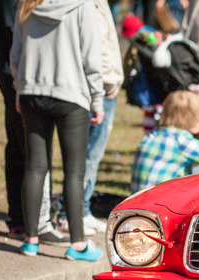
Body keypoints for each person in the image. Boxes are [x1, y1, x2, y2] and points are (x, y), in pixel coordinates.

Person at [10, 0, 105, 261]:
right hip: (71, 94)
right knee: (74, 171)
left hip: (32, 92)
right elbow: (91, 57)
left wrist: (20, 88)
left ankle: (30, 241)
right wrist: (97, 99)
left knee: (35, 167)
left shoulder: (27, 4)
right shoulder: (83, 5)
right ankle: (78, 244)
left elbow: (15, 53)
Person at [0, 0, 70, 245]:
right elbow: (15, 30)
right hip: (21, 74)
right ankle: (35, 224)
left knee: (21, 147)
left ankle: (22, 219)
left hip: (16, 71)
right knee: (31, 151)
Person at [56, 0, 124, 236]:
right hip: (97, 89)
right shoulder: (89, 5)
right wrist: (105, 81)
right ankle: (70, 214)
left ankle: (82, 210)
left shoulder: (99, 4)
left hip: (104, 87)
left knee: (92, 156)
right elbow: (96, 49)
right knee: (85, 156)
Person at [131, 90, 199, 193]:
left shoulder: (152, 135)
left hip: (137, 203)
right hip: (162, 204)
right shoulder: (182, 141)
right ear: (194, 120)